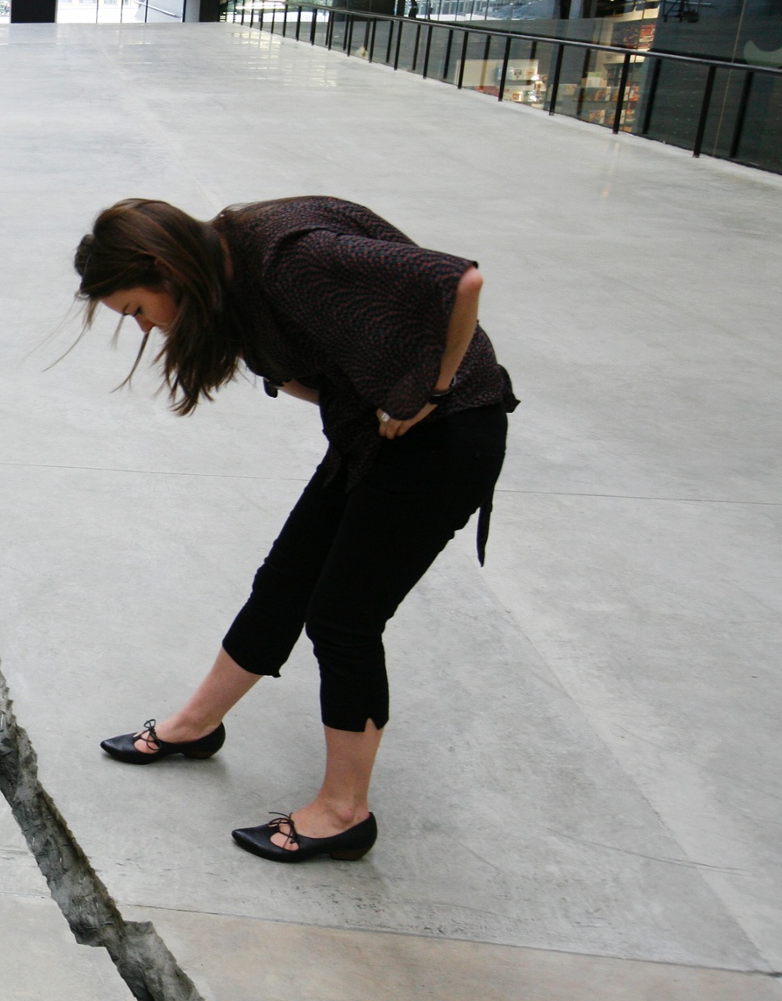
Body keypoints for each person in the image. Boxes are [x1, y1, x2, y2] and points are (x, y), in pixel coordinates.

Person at [75, 196, 514, 864]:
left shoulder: (285, 257)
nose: (141, 327)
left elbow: (458, 280)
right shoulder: (229, 270)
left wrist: (432, 387)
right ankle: (195, 726)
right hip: (375, 437)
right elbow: (301, 365)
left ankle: (343, 813)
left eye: (136, 309)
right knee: (285, 582)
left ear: (163, 268)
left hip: (446, 438)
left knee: (344, 618)